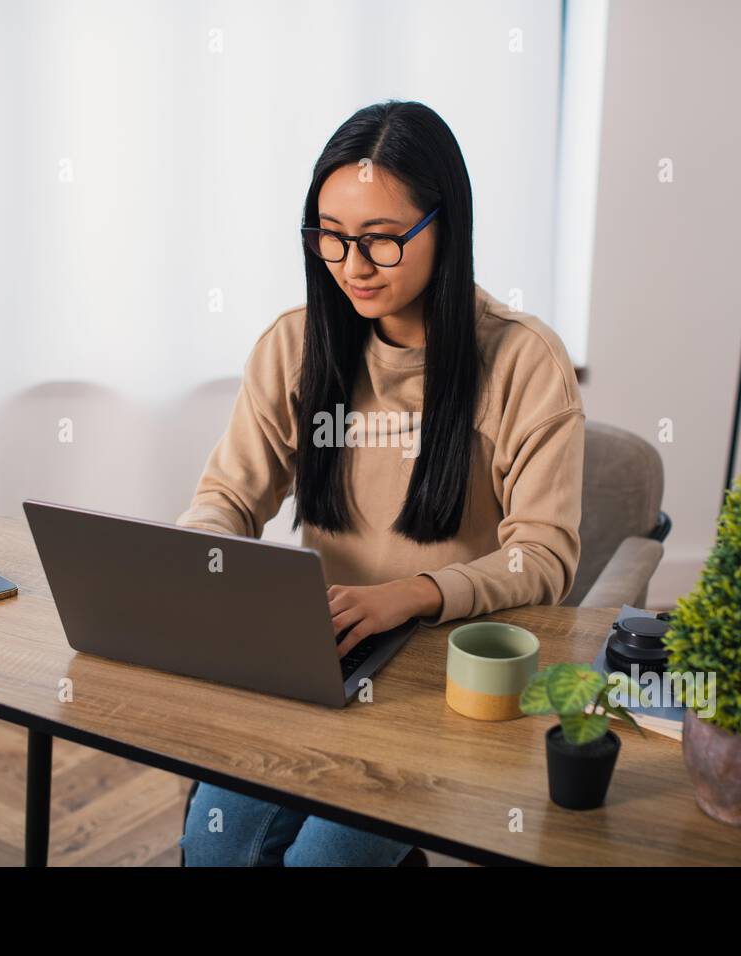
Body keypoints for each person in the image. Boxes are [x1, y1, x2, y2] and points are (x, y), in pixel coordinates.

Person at [176, 99, 585, 866]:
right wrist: (200, 552)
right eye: (330, 238)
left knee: (321, 863)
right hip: (316, 657)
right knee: (212, 847)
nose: (352, 267)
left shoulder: (525, 362)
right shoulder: (296, 343)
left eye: (382, 242)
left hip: (442, 684)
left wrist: (414, 593)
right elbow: (227, 498)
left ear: (445, 228)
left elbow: (545, 558)